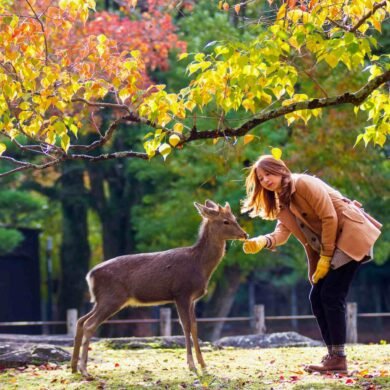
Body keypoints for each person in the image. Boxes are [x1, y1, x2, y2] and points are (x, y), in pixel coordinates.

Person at [241, 155, 382, 373]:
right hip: (333, 244)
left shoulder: (303, 184)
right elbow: (283, 231)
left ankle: (338, 358)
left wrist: (325, 257)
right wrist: (264, 241)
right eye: (260, 178)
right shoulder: (282, 200)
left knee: (331, 295)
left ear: (280, 170)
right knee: (317, 297)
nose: (265, 180)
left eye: (268, 174)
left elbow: (329, 217)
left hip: (350, 235)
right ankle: (334, 356)